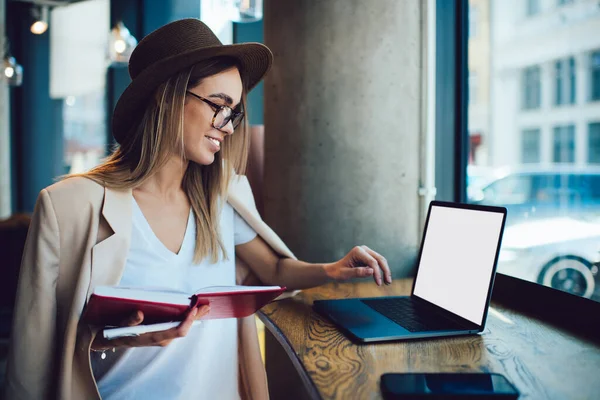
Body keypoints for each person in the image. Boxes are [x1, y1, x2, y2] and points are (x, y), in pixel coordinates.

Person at [4, 19, 391, 400]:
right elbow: (35, 351)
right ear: (165, 97)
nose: (227, 125)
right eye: (218, 105)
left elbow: (271, 269)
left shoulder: (223, 196)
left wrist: (331, 270)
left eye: (234, 111)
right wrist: (120, 336)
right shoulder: (70, 206)